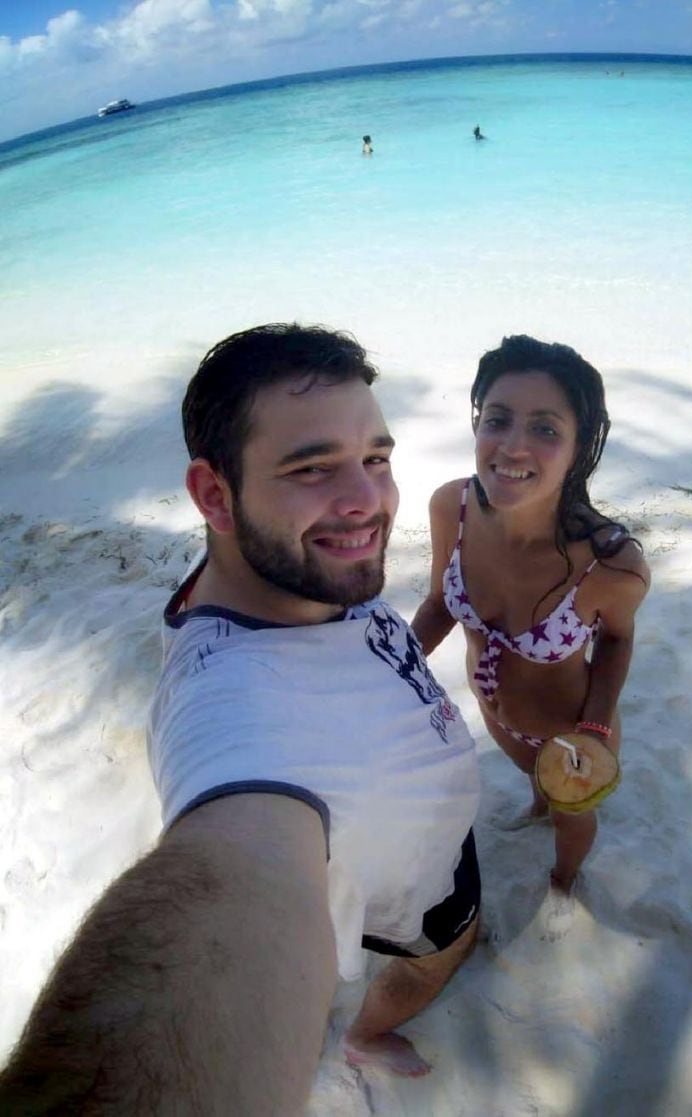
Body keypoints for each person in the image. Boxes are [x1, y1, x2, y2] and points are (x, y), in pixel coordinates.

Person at [0, 324, 481, 1114]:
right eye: (312, 467)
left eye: (376, 458)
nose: (368, 501)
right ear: (213, 495)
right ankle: (364, 1035)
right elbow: (225, 887)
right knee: (443, 950)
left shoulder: (291, 568)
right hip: (413, 901)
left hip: (432, 840)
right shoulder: (234, 709)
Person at [412, 335, 649, 894]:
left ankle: (564, 882)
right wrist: (388, 666)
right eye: (498, 419)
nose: (513, 447)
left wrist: (593, 731)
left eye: (545, 429)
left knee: (573, 818)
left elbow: (616, 641)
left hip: (571, 735)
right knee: (537, 790)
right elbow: (441, 602)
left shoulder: (612, 564)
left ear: (579, 445)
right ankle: (536, 802)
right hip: (495, 713)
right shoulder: (453, 507)